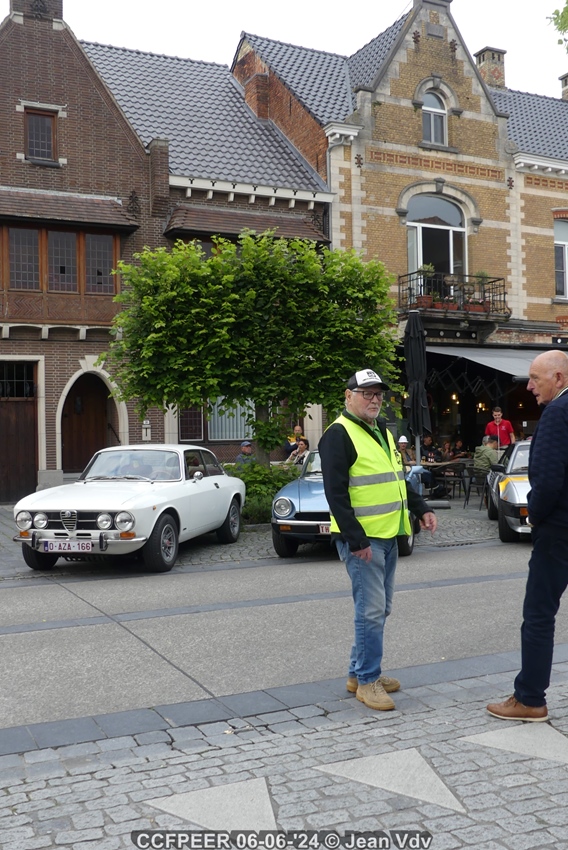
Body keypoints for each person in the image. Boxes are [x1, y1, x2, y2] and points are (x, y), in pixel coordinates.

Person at [319, 368, 437, 712]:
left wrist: (421, 508)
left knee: (379, 609)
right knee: (370, 611)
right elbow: (336, 494)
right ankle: (368, 680)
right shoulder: (338, 434)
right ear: (348, 396)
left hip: (388, 533)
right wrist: (356, 540)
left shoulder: (382, 430)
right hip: (364, 541)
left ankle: (358, 672)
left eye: (378, 394)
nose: (374, 400)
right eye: (367, 393)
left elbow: (398, 479)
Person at [487, 350, 568, 722]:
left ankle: (530, 698)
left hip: (558, 532)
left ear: (558, 378)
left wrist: (534, 514)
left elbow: (547, 481)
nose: (530, 386)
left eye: (535, 378)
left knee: (538, 614)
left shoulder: (556, 413)